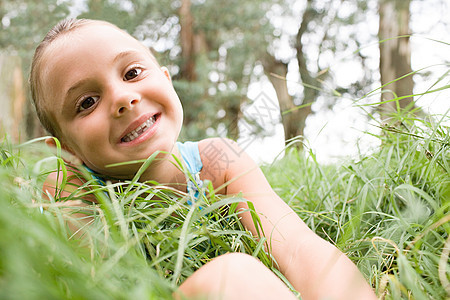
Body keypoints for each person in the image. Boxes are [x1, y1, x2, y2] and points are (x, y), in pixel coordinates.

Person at [30, 18, 377, 300]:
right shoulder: (71, 190)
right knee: (231, 278)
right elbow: (95, 286)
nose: (124, 97)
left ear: (167, 81)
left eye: (133, 73)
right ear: (66, 151)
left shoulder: (218, 160)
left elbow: (298, 248)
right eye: (87, 102)